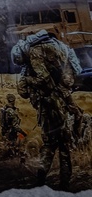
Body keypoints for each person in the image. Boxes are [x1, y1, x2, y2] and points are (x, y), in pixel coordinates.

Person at [13, 29, 82, 188]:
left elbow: (23, 91)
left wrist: (30, 81)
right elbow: (73, 76)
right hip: (63, 103)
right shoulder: (62, 50)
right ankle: (65, 185)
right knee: (64, 147)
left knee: (49, 146)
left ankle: (40, 181)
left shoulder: (32, 55)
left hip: (46, 109)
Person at [0, 92, 23, 157]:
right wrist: (22, 132)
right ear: (13, 100)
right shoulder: (11, 111)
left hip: (5, 130)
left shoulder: (3, 109)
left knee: (6, 143)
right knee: (17, 142)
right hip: (12, 131)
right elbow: (15, 125)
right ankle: (13, 156)